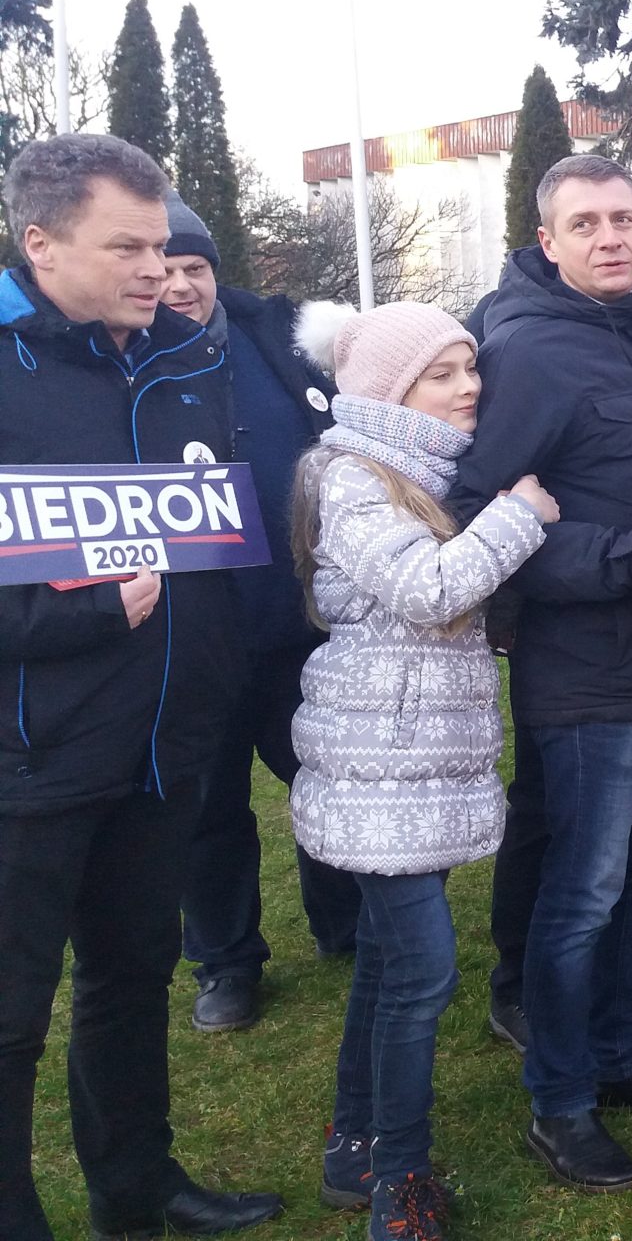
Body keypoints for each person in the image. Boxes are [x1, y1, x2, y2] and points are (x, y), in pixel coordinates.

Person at [0, 134, 282, 1240]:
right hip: (31, 749)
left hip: (167, 739)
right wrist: (76, 614)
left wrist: (213, 682)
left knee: (133, 973)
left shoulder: (189, 355)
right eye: (127, 247)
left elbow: (207, 541)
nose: (157, 271)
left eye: (163, 247)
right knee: (13, 1011)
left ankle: (135, 1186)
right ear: (39, 244)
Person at [449, 153, 632, 1194]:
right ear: (548, 241)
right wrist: (625, 557)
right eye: (586, 224)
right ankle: (559, 1103)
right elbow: (480, 516)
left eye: (623, 218)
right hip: (585, 673)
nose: (610, 237)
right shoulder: (524, 352)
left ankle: (627, 1059)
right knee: (581, 895)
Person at [288, 303, 556, 1237]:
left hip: (416, 768)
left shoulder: (427, 475)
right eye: (442, 374)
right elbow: (428, 588)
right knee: (423, 974)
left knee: (389, 966)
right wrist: (523, 514)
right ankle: (399, 1181)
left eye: (470, 367)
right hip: (376, 772)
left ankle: (353, 1146)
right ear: (390, 389)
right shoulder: (355, 478)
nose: (469, 386)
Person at [154, 197, 361, 1036]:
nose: (177, 285)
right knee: (207, 810)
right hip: (183, 639)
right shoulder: (114, 357)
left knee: (325, 778)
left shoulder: (274, 339)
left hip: (291, 621)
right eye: (162, 269)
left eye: (194, 268)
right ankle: (227, 964)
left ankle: (346, 927)